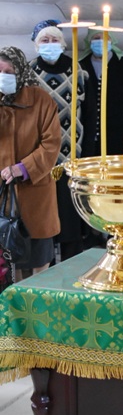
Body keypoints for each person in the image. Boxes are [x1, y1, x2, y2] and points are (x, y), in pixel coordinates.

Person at [29, 20, 96, 261]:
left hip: (71, 156)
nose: (50, 44)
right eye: (44, 40)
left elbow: (89, 113)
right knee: (44, 218)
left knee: (70, 219)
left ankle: (71, 265)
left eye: (54, 40)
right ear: (37, 45)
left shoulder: (78, 70)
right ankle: (43, 267)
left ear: (63, 43)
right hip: (40, 157)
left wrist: (88, 154)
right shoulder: (29, 73)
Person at [0, 46, 61, 281]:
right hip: (3, 196)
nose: (3, 76)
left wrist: (22, 168)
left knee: (38, 264)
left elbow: (51, 145)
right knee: (9, 265)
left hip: (35, 193)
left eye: (9, 72)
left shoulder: (41, 100)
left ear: (21, 72)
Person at [80, 30, 123, 156]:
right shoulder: (82, 65)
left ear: (111, 41)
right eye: (96, 38)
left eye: (105, 38)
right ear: (89, 42)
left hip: (117, 134)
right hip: (87, 135)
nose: (100, 41)